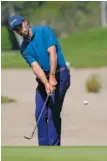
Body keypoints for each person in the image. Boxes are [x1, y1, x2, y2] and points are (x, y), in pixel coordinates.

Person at [8, 15, 70, 146]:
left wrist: (52, 77)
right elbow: (35, 67)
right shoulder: (24, 48)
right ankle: (43, 149)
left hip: (60, 74)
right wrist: (46, 82)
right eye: (16, 29)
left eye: (20, 25)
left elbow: (52, 53)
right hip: (44, 79)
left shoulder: (43, 31)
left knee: (53, 111)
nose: (19, 29)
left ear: (25, 22)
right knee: (40, 114)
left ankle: (53, 148)